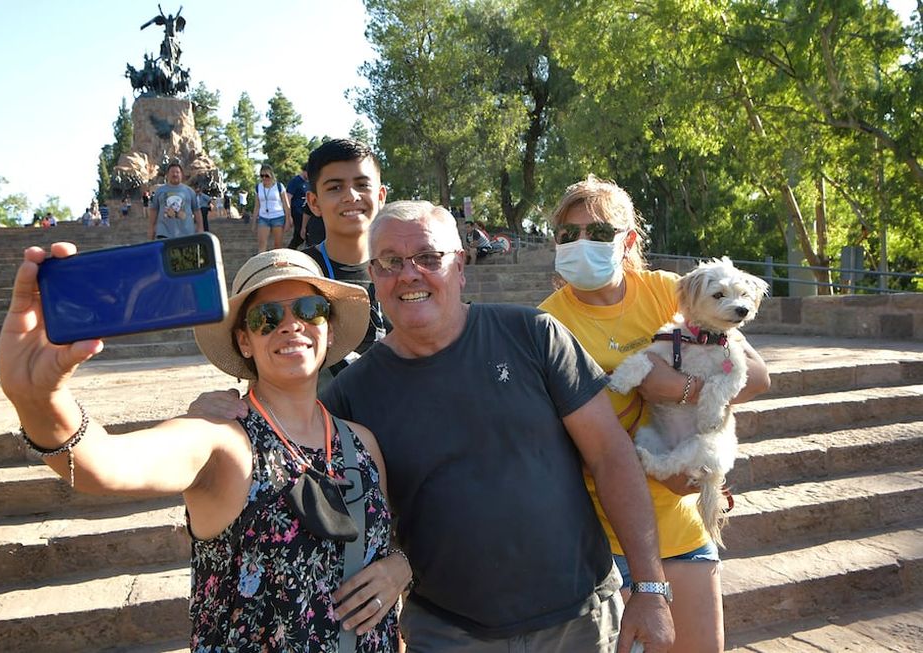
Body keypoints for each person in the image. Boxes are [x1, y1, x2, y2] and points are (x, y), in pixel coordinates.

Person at [191, 202, 676, 652]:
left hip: (580, 622)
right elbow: (322, 507)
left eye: (427, 256)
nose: (409, 274)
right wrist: (220, 413)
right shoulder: (350, 396)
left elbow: (611, 456)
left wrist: (650, 587)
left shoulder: (533, 334)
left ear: (460, 266)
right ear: (375, 279)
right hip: (447, 633)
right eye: (389, 262)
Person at [0, 246, 409, 652]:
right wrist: (39, 397)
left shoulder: (361, 444)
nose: (291, 326)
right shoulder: (223, 438)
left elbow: (387, 544)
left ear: (329, 330)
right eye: (266, 317)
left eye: (309, 309)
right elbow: (102, 463)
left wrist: (400, 568)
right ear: (244, 342)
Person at [538, 175, 771, 653]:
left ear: (629, 240)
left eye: (600, 232)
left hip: (684, 519)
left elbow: (758, 376)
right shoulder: (546, 322)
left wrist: (681, 389)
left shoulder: (670, 291)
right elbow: (558, 439)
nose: (582, 243)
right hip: (609, 534)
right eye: (568, 233)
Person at [301, 138, 389, 382]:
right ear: (314, 203)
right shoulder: (295, 274)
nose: (351, 196)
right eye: (335, 187)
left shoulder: (406, 268)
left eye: (362, 185)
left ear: (381, 196)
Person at [148, 161, 203, 240]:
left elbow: (197, 210)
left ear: (181, 175)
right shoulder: (159, 191)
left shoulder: (189, 191)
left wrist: (200, 228)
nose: (175, 174)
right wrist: (151, 228)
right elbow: (154, 210)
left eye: (177, 172)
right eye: (172, 172)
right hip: (164, 233)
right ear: (167, 175)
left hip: (187, 233)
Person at [254, 166, 291, 253]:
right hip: (263, 217)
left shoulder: (279, 186)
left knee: (277, 245)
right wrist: (254, 221)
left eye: (266, 175)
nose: (264, 178)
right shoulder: (258, 187)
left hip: (278, 216)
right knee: (261, 245)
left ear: (271, 175)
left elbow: (286, 204)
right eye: (261, 176)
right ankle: (261, 264)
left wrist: (288, 220)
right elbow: (257, 205)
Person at [286, 165, 310, 249]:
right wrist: (288, 215)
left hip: (307, 212)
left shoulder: (309, 183)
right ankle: (290, 250)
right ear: (304, 171)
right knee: (299, 235)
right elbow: (288, 198)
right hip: (297, 212)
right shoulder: (295, 181)